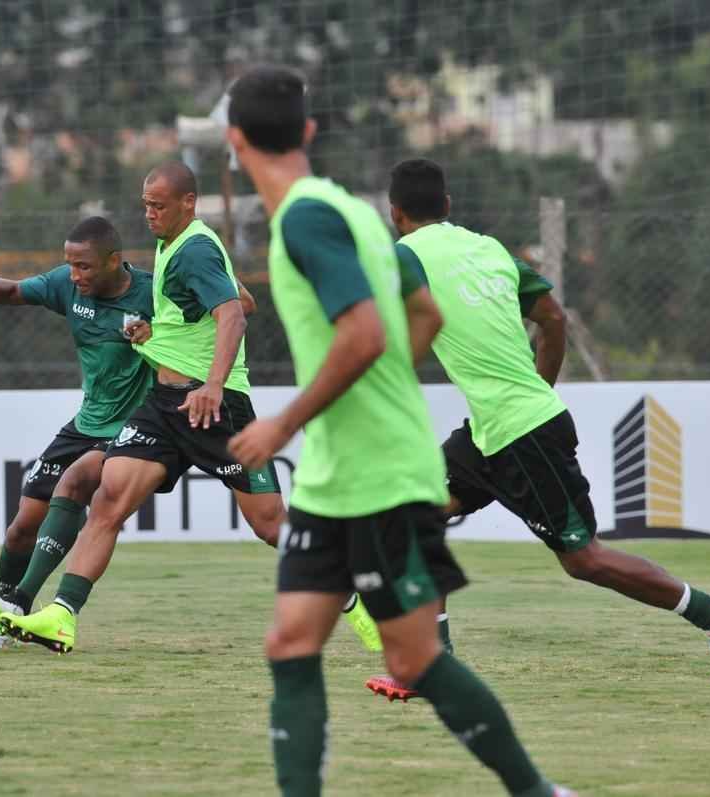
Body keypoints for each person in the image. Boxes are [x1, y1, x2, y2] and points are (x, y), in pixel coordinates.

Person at [223, 66, 573, 797]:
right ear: (309, 132)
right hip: (336, 472)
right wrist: (372, 384)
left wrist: (282, 422)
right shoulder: (348, 211)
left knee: (413, 658)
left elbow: (364, 333)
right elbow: (424, 319)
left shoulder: (307, 221)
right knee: (291, 641)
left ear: (233, 142)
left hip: (375, 471)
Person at [366, 158, 710, 700]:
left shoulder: (403, 257)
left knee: (584, 559)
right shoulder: (491, 249)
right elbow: (552, 319)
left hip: (520, 434)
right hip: (492, 430)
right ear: (449, 206)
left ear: (394, 213)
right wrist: (538, 390)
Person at [0, 161, 303, 654]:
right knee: (107, 499)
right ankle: (61, 616)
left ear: (189, 202)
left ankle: (355, 589)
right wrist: (156, 334)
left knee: (270, 526)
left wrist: (212, 384)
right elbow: (238, 298)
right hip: (164, 405)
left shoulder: (196, 248)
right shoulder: (174, 246)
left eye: (158, 205)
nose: (149, 214)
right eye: (145, 205)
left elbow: (234, 315)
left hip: (213, 406)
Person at [0, 216, 157, 648]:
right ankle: (2, 612)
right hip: (85, 423)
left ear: (115, 260)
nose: (75, 275)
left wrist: (161, 333)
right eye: (70, 265)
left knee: (73, 486)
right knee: (22, 526)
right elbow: (16, 291)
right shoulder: (67, 286)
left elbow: (212, 316)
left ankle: (17, 608)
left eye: (85, 267)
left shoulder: (153, 292)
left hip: (133, 428)